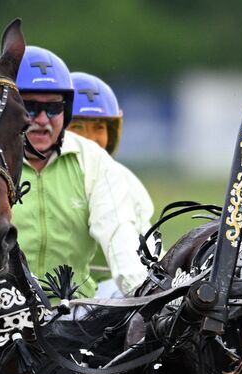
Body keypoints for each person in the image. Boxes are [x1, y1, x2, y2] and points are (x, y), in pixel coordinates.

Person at [10, 47, 146, 298]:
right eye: (30, 107)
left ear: (67, 110)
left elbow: (118, 232)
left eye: (53, 108)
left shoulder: (94, 160)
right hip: (0, 310)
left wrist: (143, 293)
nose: (42, 119)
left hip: (74, 309)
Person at [68, 70, 159, 293]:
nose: (90, 138)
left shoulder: (125, 180)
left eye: (99, 127)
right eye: (78, 126)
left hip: (111, 292)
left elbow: (149, 256)